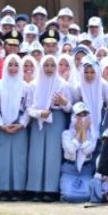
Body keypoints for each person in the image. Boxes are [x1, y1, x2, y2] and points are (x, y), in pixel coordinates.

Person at [26, 55, 72, 202]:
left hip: (56, 119)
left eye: (53, 65)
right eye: (46, 65)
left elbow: (70, 108)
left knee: (53, 155)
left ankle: (50, 190)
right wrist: (40, 113)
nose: (49, 68)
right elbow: (28, 107)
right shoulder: (33, 85)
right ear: (41, 67)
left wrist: (63, 102)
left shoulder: (62, 84)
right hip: (38, 121)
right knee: (36, 154)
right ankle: (35, 189)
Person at [0, 54, 31, 200]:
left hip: (19, 127)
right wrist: (1, 124)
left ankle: (17, 189)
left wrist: (21, 124)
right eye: (10, 64)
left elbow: (28, 108)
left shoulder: (26, 86)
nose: (13, 68)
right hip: (2, 128)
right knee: (2, 159)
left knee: (19, 159)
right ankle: (3, 189)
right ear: (5, 66)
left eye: (16, 65)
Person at [60, 102, 97, 202]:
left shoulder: (92, 135)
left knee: (87, 195)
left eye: (84, 115)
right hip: (69, 170)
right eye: (78, 116)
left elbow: (86, 150)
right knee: (68, 196)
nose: (81, 119)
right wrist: (78, 133)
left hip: (86, 170)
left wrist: (83, 132)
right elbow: (71, 149)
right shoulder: (66, 134)